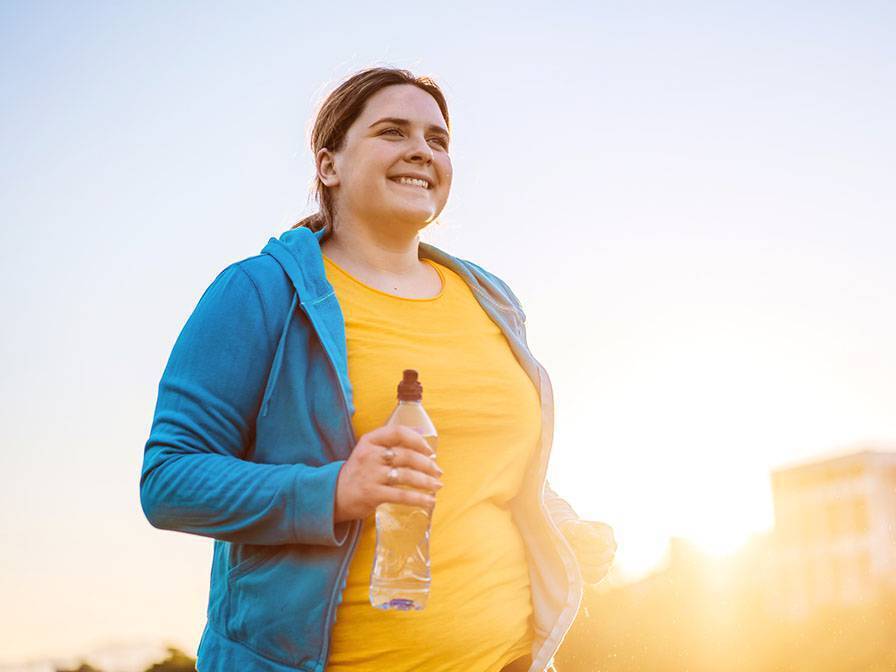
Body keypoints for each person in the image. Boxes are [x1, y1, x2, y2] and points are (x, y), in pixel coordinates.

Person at [140, 66, 617, 672]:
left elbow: (498, 471)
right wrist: (335, 490)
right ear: (328, 165)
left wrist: (564, 526)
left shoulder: (491, 300)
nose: (421, 149)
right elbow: (169, 481)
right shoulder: (258, 293)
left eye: (437, 139)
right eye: (392, 131)